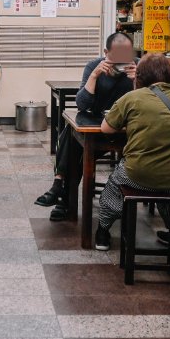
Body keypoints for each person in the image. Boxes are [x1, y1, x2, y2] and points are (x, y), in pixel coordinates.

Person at [94, 53, 170, 250]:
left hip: (139, 174)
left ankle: (102, 232)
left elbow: (105, 128)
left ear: (139, 76)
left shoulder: (132, 98)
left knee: (113, 187)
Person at [34, 32, 136, 221]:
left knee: (75, 148)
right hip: (96, 127)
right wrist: (95, 75)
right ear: (106, 52)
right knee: (72, 138)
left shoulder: (137, 68)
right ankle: (61, 193)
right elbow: (82, 104)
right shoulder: (93, 67)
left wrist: (137, 81)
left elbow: (149, 102)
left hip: (126, 131)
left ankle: (61, 195)